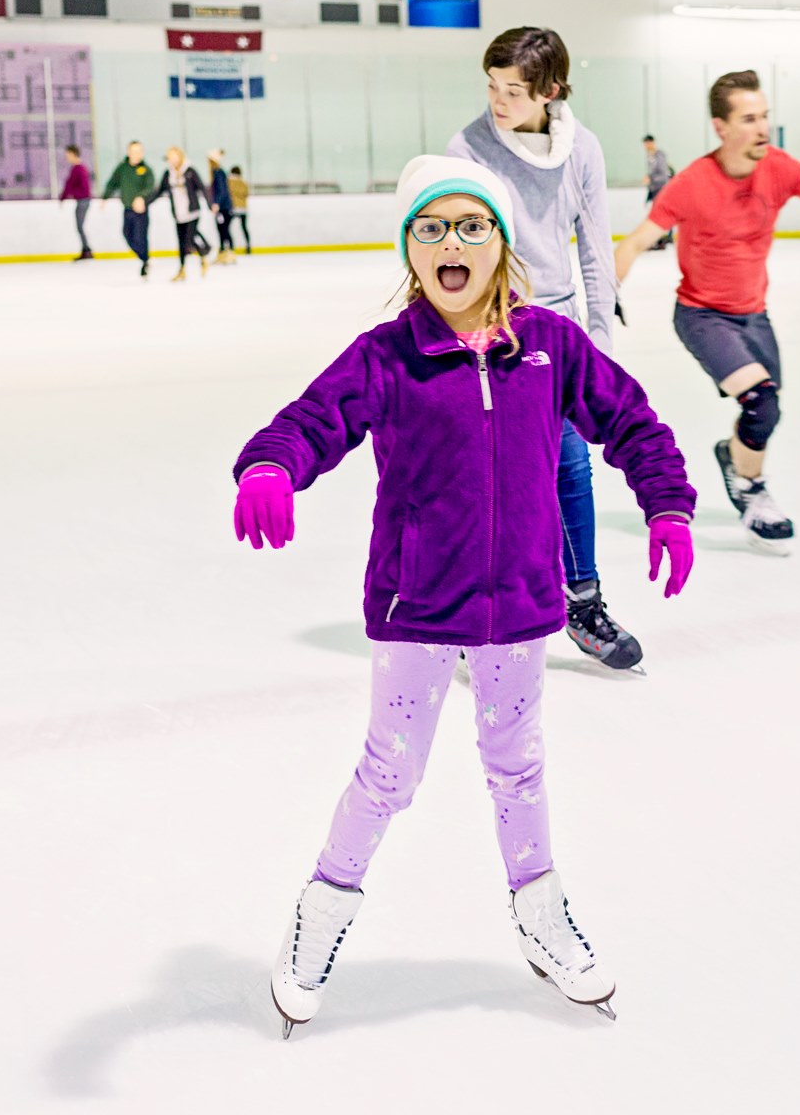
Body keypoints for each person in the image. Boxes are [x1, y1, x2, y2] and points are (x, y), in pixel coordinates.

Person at [233, 156, 696, 1036]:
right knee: (389, 772)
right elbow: (312, 420)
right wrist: (269, 464)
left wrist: (667, 501)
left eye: (472, 226)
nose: (454, 243)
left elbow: (632, 420)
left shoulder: (551, 349)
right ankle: (322, 910)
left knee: (517, 766)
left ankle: (538, 909)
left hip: (520, 606)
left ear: (500, 243)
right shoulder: (388, 357)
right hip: (418, 609)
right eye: (433, 228)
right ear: (411, 250)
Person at [446, 27, 643, 671]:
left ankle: (581, 604)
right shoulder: (468, 148)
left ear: (549, 92)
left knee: (571, 467)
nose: (497, 101)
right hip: (490, 330)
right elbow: (460, 246)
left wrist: (600, 342)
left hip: (556, 332)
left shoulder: (580, 147)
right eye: (491, 87)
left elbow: (593, 245)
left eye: (513, 91)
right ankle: (480, 615)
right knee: (492, 479)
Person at [614, 69, 800, 554]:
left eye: (765, 116)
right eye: (749, 118)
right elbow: (639, 239)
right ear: (721, 127)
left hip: (754, 313)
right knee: (761, 402)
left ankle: (734, 457)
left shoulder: (779, 166)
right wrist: (608, 292)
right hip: (702, 315)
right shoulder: (691, 183)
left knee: (765, 415)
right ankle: (753, 493)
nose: (762, 127)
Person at [150, 147, 213, 282]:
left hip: (192, 211)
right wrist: (146, 202)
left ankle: (204, 252)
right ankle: (183, 269)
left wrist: (210, 204)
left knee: (188, 240)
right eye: (169, 158)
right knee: (181, 242)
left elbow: (202, 187)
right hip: (178, 213)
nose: (172, 160)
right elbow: (160, 191)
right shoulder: (168, 174)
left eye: (174, 157)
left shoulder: (190, 171)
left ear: (180, 157)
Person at [100, 140, 154, 278]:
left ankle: (145, 261)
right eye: (134, 151)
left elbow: (150, 187)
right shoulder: (122, 168)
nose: (137, 154)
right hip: (127, 209)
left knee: (140, 237)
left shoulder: (146, 170)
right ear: (128, 152)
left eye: (139, 151)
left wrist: (141, 197)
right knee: (127, 234)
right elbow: (112, 183)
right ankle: (145, 258)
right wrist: (105, 197)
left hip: (141, 211)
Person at [60, 144, 93, 261]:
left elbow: (71, 185)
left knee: (80, 226)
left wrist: (64, 196)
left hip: (83, 201)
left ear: (73, 154)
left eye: (68, 155)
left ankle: (87, 250)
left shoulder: (78, 169)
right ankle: (86, 249)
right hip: (83, 200)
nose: (67, 158)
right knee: (80, 226)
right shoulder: (79, 168)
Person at [642, 134, 673, 248]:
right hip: (654, 188)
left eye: (648, 143)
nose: (646, 146)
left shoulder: (659, 155)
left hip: (661, 188)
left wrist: (651, 178)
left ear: (652, 142)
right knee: (655, 213)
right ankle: (662, 236)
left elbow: (663, 174)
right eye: (645, 144)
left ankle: (664, 236)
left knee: (659, 213)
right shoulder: (649, 156)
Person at [228, 166, 251, 254]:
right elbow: (246, 193)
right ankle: (248, 246)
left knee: (227, 228)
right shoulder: (243, 182)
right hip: (243, 208)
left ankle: (231, 247)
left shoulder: (229, 182)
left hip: (233, 208)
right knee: (244, 228)